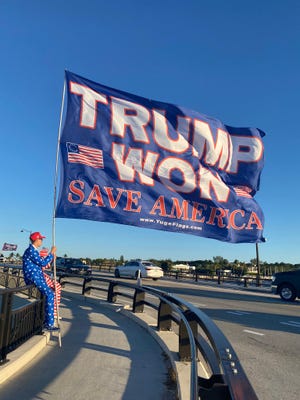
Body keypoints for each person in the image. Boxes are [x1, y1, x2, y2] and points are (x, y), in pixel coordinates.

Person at [22, 232, 58, 331]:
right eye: (41, 239)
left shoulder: (33, 251)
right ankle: (48, 324)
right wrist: (51, 253)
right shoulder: (31, 251)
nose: (42, 241)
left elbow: (40, 263)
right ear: (36, 240)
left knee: (49, 293)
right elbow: (42, 263)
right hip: (33, 277)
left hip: (37, 277)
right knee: (50, 294)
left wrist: (51, 257)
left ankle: (46, 321)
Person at [39, 247, 62, 320]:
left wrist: (52, 258)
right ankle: (53, 312)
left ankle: (53, 311)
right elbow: (43, 265)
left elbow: (45, 265)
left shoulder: (40, 258)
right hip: (41, 277)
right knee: (55, 288)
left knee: (57, 287)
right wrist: (51, 256)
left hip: (42, 276)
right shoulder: (40, 259)